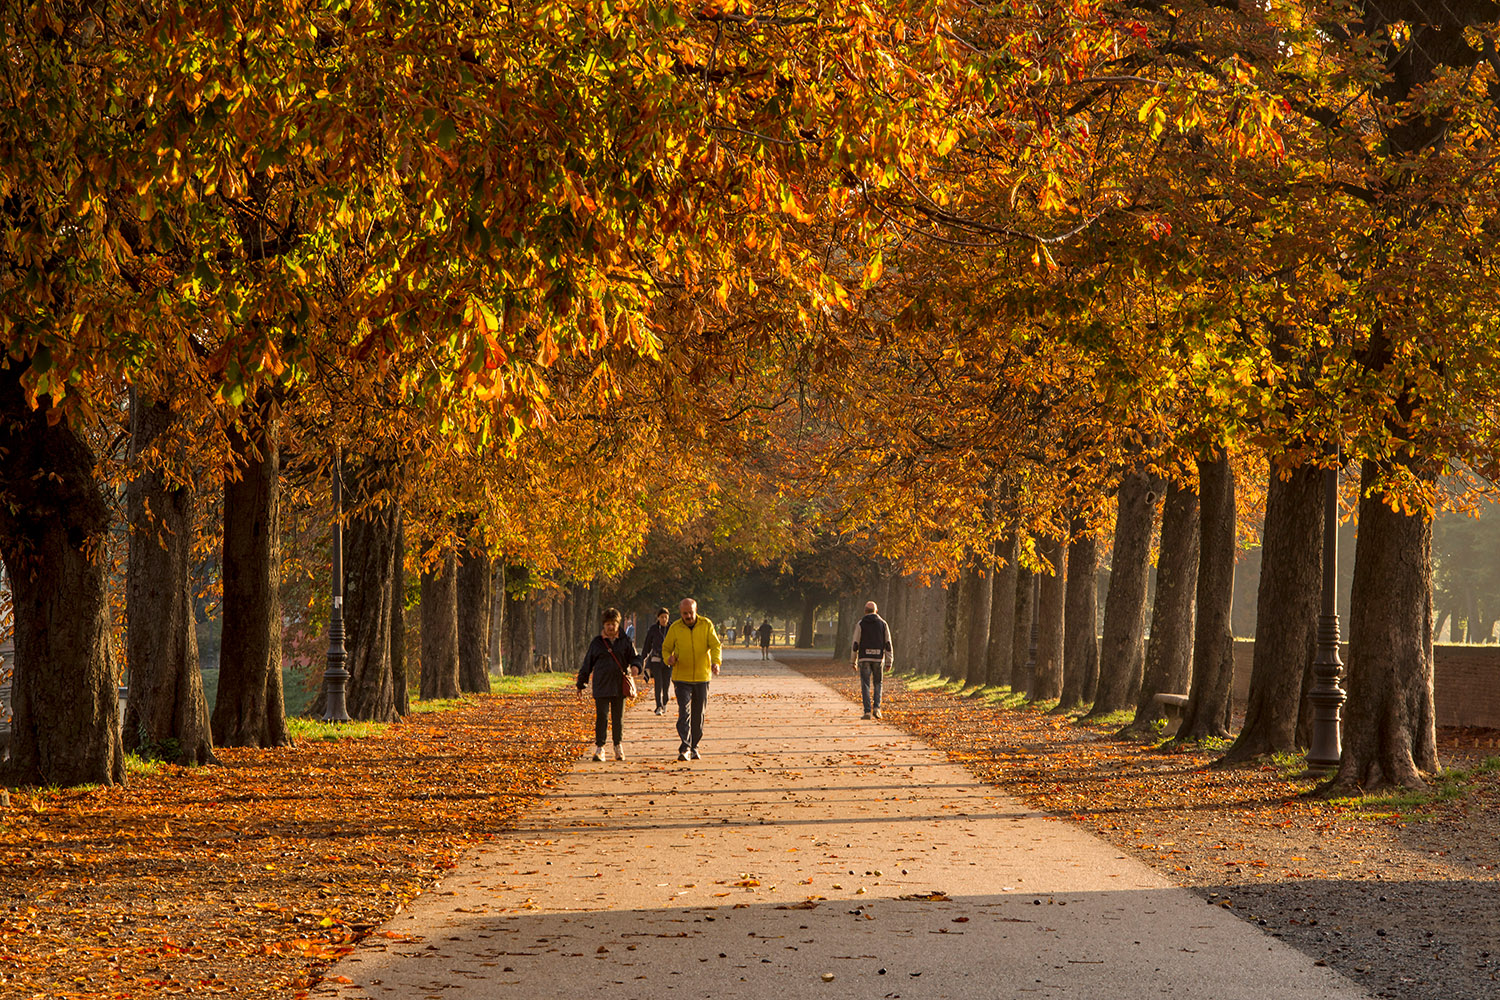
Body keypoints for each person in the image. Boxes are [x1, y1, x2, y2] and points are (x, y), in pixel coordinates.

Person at [660, 597, 722, 761]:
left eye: (690, 613)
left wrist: (716, 662)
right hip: (682, 678)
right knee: (684, 713)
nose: (688, 616)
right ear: (680, 613)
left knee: (698, 714)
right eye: (684, 613)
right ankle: (685, 747)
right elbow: (665, 649)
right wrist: (669, 659)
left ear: (696, 611)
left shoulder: (706, 624)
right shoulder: (675, 628)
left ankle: (694, 746)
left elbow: (715, 645)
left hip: (702, 677)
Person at [576, 607, 640, 761]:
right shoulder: (597, 643)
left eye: (613, 624)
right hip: (601, 685)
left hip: (619, 686)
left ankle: (618, 746)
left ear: (618, 624)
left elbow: (635, 657)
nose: (611, 627)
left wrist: (636, 666)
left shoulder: (625, 641)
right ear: (603, 625)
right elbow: (587, 663)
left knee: (618, 718)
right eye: (608, 624)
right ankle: (600, 748)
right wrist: (581, 683)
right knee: (602, 717)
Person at [851, 601, 894, 719]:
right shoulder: (883, 624)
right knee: (878, 683)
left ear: (865, 611)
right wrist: (889, 661)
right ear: (876, 610)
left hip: (864, 658)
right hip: (878, 658)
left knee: (865, 684)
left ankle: (867, 712)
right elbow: (888, 643)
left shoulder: (861, 624)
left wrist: (853, 661)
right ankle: (877, 708)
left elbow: (855, 643)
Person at [639, 607, 673, 716]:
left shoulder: (672, 628)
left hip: (668, 661)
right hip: (656, 659)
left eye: (666, 617)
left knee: (666, 685)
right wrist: (641, 659)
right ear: (658, 618)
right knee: (658, 684)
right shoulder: (653, 629)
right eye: (662, 617)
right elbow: (647, 645)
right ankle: (658, 706)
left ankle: (665, 702)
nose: (664, 619)